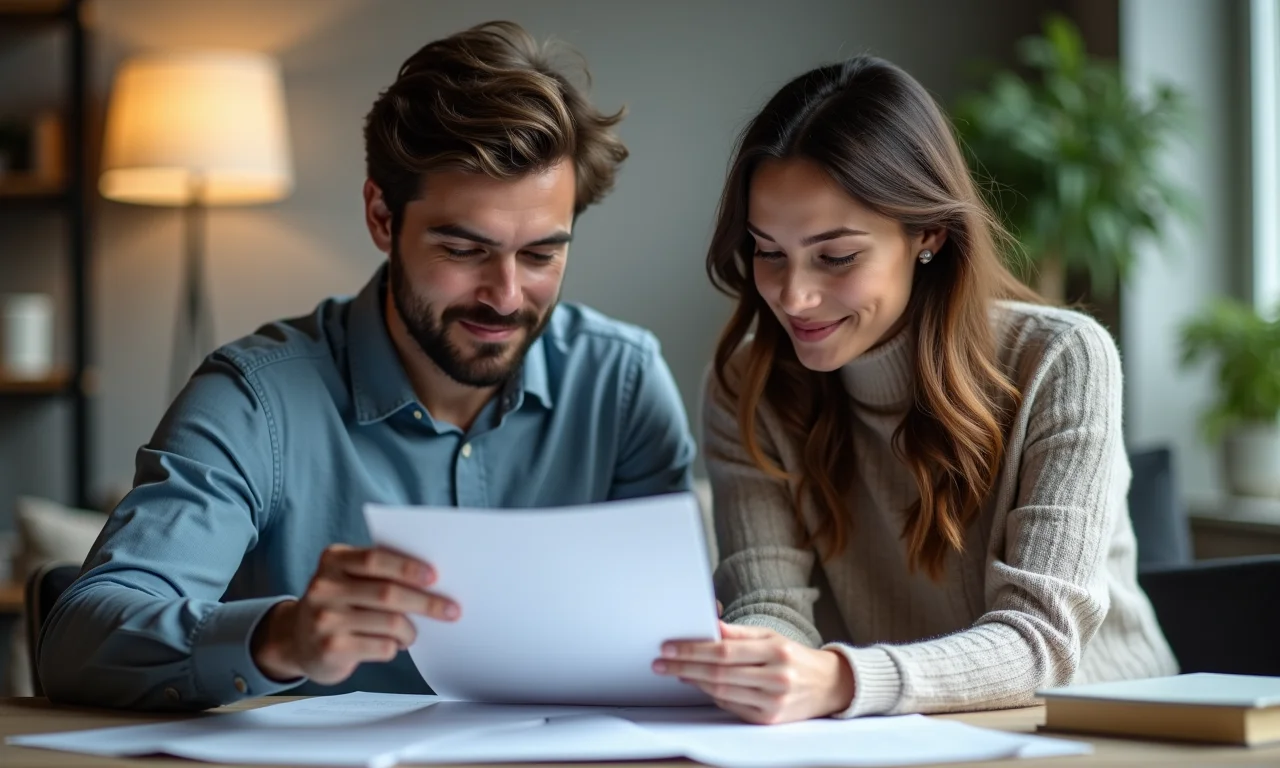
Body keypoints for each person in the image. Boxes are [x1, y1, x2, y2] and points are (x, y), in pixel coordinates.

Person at [39, 21, 695, 711]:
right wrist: (279, 636)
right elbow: (78, 639)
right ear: (382, 216)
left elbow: (676, 643)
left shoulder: (621, 386)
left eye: (540, 255)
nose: (505, 296)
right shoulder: (254, 400)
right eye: (464, 249)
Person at [653, 55, 1177, 724]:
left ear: (927, 232)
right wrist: (757, 659)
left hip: (1109, 725)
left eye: (835, 256)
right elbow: (774, 607)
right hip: (893, 732)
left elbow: (1042, 642)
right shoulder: (747, 381)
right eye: (767, 250)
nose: (794, 295)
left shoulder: (1061, 358)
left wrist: (841, 679)